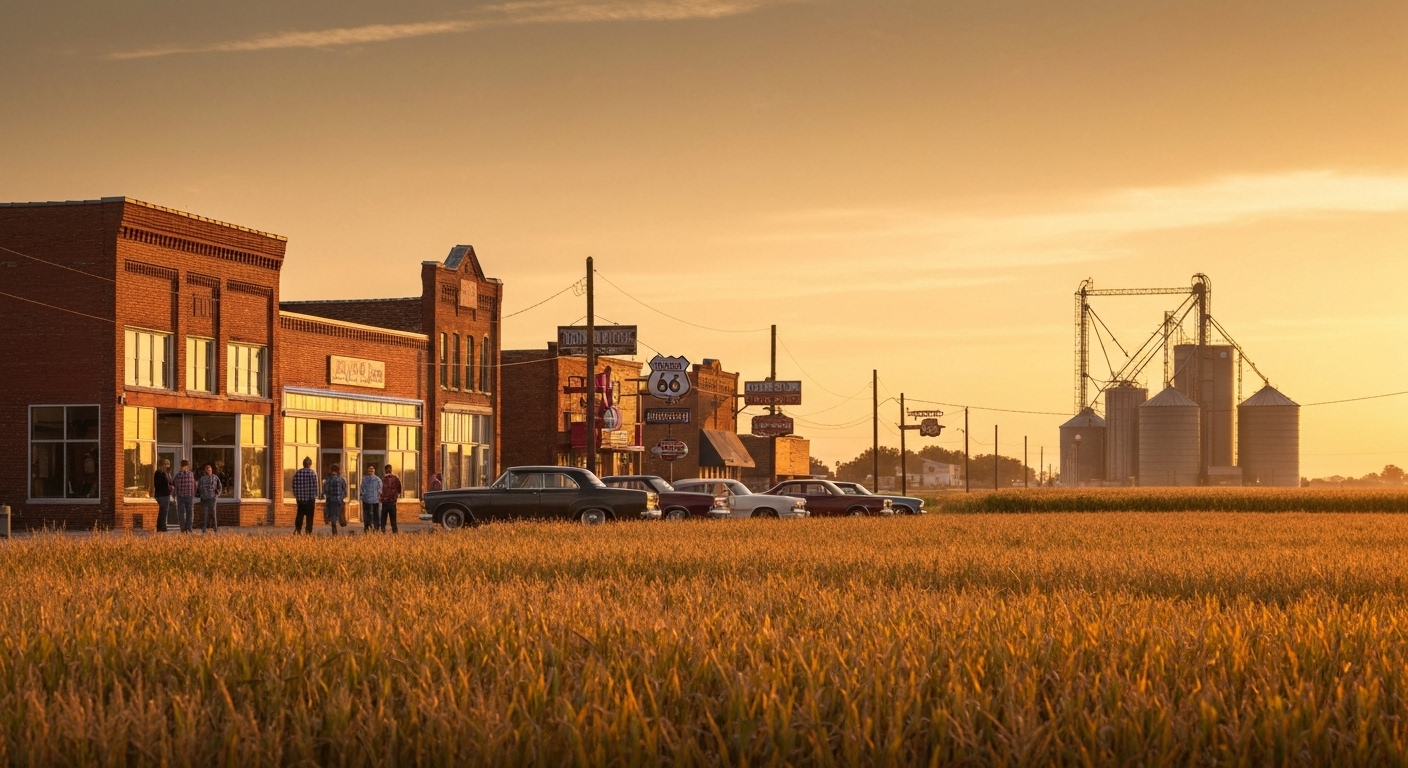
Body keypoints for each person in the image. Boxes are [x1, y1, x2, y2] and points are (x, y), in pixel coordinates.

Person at [292, 456, 318, 535]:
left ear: (303, 464)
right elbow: (315, 486)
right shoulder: (313, 473)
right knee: (310, 517)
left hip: (301, 499)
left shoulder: (298, 473)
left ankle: (298, 529)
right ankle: (308, 531)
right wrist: (314, 496)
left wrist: (297, 496)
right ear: (310, 464)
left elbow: (294, 485)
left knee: (300, 515)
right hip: (310, 499)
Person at [322, 463, 348, 535]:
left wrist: (327, 495)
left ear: (331, 470)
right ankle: (342, 521)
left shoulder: (328, 480)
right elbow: (345, 492)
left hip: (331, 500)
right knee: (340, 513)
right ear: (338, 470)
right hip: (339, 500)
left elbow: (324, 491)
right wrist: (341, 497)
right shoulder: (342, 479)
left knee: (332, 517)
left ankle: (334, 531)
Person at [197, 462, 222, 533]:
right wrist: (200, 495)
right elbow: (199, 488)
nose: (208, 471)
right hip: (204, 498)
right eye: (207, 470)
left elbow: (220, 486)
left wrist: (218, 493)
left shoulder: (215, 477)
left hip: (212, 498)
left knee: (213, 513)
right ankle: (204, 527)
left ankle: (215, 527)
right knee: (205, 513)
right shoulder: (202, 479)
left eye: (210, 470)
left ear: (211, 470)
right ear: (205, 470)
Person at [173, 459, 197, 533]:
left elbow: (194, 485)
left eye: (186, 466)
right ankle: (183, 528)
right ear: (181, 467)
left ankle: (189, 528)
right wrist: (175, 494)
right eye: (183, 466)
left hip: (189, 496)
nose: (185, 468)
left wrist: (193, 493)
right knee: (181, 513)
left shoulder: (190, 474)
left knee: (189, 513)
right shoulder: (178, 475)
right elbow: (175, 485)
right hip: (181, 497)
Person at [380, 463, 402, 533]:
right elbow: (399, 489)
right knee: (393, 519)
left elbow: (379, 491)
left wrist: (382, 498)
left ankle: (383, 532)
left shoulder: (382, 480)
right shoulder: (395, 479)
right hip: (392, 502)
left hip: (385, 502)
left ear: (385, 470)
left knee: (383, 519)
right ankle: (395, 532)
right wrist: (395, 496)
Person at [360, 464, 383, 534]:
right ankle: (371, 527)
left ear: (374, 471)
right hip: (370, 500)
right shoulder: (376, 479)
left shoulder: (377, 480)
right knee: (371, 515)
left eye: (372, 470)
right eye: (370, 470)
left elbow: (380, 490)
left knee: (370, 515)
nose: (370, 472)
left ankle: (371, 527)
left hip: (372, 500)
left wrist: (362, 497)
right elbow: (362, 489)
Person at [153, 458, 173, 533]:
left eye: (167, 465)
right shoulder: (159, 473)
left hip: (165, 494)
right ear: (162, 465)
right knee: (163, 512)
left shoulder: (168, 474)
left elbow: (170, 483)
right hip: (162, 495)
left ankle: (160, 527)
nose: (166, 466)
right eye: (165, 464)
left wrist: (171, 487)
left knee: (162, 512)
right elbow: (159, 484)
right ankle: (162, 527)